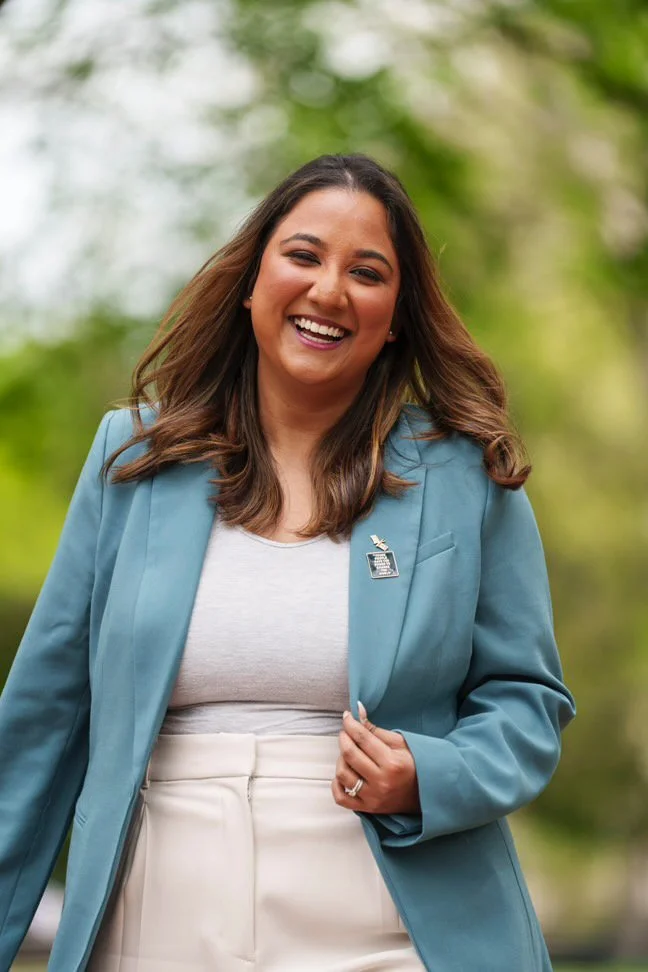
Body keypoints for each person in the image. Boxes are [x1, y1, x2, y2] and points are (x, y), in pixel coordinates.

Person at [0, 153, 575, 972]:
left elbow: (528, 701)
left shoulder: (464, 474)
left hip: (390, 913)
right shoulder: (132, 458)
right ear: (251, 278)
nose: (328, 291)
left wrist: (432, 774)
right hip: (157, 907)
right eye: (303, 256)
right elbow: (42, 721)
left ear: (398, 315)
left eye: (366, 272)